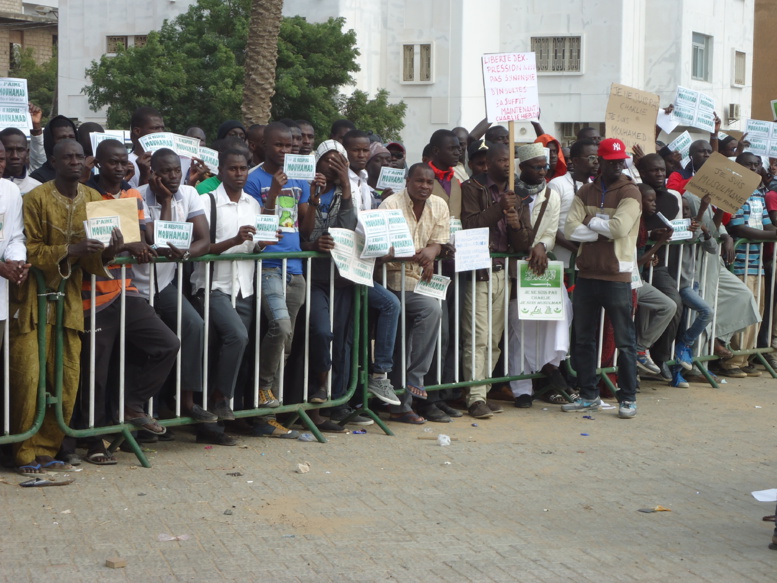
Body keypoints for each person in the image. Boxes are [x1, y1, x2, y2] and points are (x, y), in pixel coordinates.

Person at [10, 140, 120, 474]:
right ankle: (22, 451)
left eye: (78, 157)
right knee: (28, 379)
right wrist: (71, 249)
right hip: (32, 300)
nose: (75, 162)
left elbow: (95, 259)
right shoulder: (35, 199)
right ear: (53, 162)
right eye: (67, 157)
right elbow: (28, 249)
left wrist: (110, 251)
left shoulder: (93, 198)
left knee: (67, 379)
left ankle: (47, 447)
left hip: (69, 302)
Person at [79, 139, 181, 462]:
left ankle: (131, 404)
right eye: (113, 162)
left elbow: (144, 236)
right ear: (98, 164)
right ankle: (93, 442)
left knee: (167, 343)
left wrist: (162, 246)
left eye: (125, 162)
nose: (121, 167)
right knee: (95, 372)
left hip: (126, 291)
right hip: (94, 296)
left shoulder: (134, 194)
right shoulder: (88, 195)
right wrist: (126, 247)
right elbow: (94, 248)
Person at [192, 146, 280, 441]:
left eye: (243, 168)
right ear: (220, 171)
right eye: (233, 169)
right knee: (235, 337)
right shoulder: (206, 202)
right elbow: (201, 248)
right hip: (213, 285)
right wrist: (234, 239)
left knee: (234, 349)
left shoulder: (253, 203)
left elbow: (253, 247)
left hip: (245, 286)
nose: (239, 174)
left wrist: (263, 243)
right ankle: (219, 399)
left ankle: (217, 422)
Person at [134, 149, 215, 423]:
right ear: (153, 173)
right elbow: (156, 238)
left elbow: (204, 239)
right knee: (149, 347)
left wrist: (188, 253)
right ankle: (145, 412)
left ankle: (188, 401)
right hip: (136, 286)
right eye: (166, 171)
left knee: (194, 325)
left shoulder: (190, 194)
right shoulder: (138, 194)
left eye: (176, 171)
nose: (173, 176)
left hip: (164, 283)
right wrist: (167, 201)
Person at [564, 138, 641, 418]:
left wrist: (590, 222)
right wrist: (602, 229)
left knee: (625, 341)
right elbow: (570, 229)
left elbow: (620, 229)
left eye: (622, 161)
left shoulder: (631, 191)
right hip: (587, 274)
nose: (619, 165)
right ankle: (588, 395)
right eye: (613, 161)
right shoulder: (585, 190)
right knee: (582, 339)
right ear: (601, 162)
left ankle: (628, 398)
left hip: (617, 275)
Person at [244, 122, 312, 436]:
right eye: (278, 146)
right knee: (279, 326)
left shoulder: (300, 175)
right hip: (269, 264)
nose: (285, 151)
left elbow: (306, 224)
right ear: (264, 146)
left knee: (286, 342)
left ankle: (268, 413)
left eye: (289, 145)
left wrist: (316, 197)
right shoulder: (252, 179)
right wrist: (272, 192)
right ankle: (261, 389)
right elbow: (258, 227)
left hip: (296, 267)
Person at [460, 143, 526, 416]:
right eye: (501, 160)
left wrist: (516, 225)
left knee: (494, 339)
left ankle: (483, 390)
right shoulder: (472, 188)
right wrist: (499, 208)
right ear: (488, 163)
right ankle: (474, 397)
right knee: (477, 337)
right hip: (478, 271)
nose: (508, 165)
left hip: (502, 272)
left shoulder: (517, 194)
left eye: (510, 160)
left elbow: (523, 243)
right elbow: (470, 225)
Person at [380, 163, 449, 424]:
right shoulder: (390, 205)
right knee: (429, 312)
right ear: (407, 181)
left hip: (423, 282)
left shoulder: (439, 205)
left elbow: (439, 241)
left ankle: (406, 395)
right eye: (419, 181)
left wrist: (433, 251)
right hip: (391, 281)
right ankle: (409, 388)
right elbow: (382, 249)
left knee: (415, 334)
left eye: (429, 182)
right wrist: (423, 255)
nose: (425, 186)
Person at [505, 144, 572, 409]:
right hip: (513, 269)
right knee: (518, 326)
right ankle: (521, 387)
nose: (543, 171)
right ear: (522, 168)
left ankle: (550, 364)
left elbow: (551, 229)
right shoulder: (511, 194)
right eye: (537, 167)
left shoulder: (551, 194)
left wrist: (543, 246)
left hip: (539, 268)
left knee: (561, 309)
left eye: (545, 166)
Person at [720, 152, 777, 377]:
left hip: (757, 262)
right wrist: (773, 236)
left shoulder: (757, 193)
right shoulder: (732, 191)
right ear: (737, 166)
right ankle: (731, 362)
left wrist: (772, 234)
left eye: (756, 165)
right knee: (740, 313)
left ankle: (744, 359)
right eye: (748, 165)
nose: (753, 169)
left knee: (756, 312)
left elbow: (766, 224)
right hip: (739, 263)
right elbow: (738, 228)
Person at [667, 197, 717, 386]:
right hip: (677, 285)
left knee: (692, 319)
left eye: (689, 209)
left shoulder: (692, 227)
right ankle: (683, 347)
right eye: (683, 209)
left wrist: (706, 232)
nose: (686, 212)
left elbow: (712, 248)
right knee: (705, 312)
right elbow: (689, 236)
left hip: (689, 285)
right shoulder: (674, 228)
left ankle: (681, 357)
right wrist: (702, 210)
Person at [633, 184, 677, 379]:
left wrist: (652, 237)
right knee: (664, 305)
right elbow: (637, 260)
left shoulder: (642, 223)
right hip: (626, 281)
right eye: (649, 200)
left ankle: (640, 348)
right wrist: (658, 244)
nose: (654, 204)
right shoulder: (631, 222)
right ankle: (638, 351)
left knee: (667, 305)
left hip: (637, 280)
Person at [548, 138, 599, 270]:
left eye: (598, 157)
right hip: (563, 263)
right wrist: (577, 251)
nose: (596, 162)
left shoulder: (596, 187)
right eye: (591, 157)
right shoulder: (557, 184)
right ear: (575, 160)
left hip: (588, 264)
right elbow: (550, 226)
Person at [29, 115, 78, 183]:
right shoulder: (38, 178)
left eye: (71, 137)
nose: (68, 142)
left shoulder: (86, 173)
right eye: (62, 138)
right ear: (50, 141)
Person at [428, 129, 463, 218]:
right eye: (451, 149)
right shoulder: (421, 178)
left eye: (458, 149)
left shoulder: (456, 181)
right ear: (436, 151)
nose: (457, 153)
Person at [128, 106, 165, 188]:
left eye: (162, 128)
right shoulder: (126, 163)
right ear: (137, 131)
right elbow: (133, 199)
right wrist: (144, 175)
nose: (161, 132)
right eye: (155, 128)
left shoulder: (166, 162)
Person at [0, 127, 42, 194]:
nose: (15, 156)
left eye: (20, 150)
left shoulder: (38, 189)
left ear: (27, 153)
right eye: (8, 150)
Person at [344, 129, 374, 213]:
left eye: (365, 150)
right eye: (355, 150)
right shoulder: (341, 179)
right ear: (344, 151)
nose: (361, 155)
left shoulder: (364, 178)